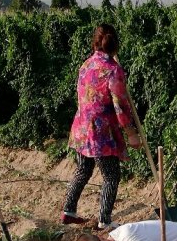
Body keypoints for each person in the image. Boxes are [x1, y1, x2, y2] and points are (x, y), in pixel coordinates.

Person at [60, 24, 141, 230]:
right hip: (100, 132)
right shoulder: (113, 70)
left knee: (83, 169)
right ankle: (104, 219)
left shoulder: (86, 65)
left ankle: (68, 211)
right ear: (116, 44)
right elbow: (120, 106)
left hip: (82, 127)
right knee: (111, 175)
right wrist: (131, 134)